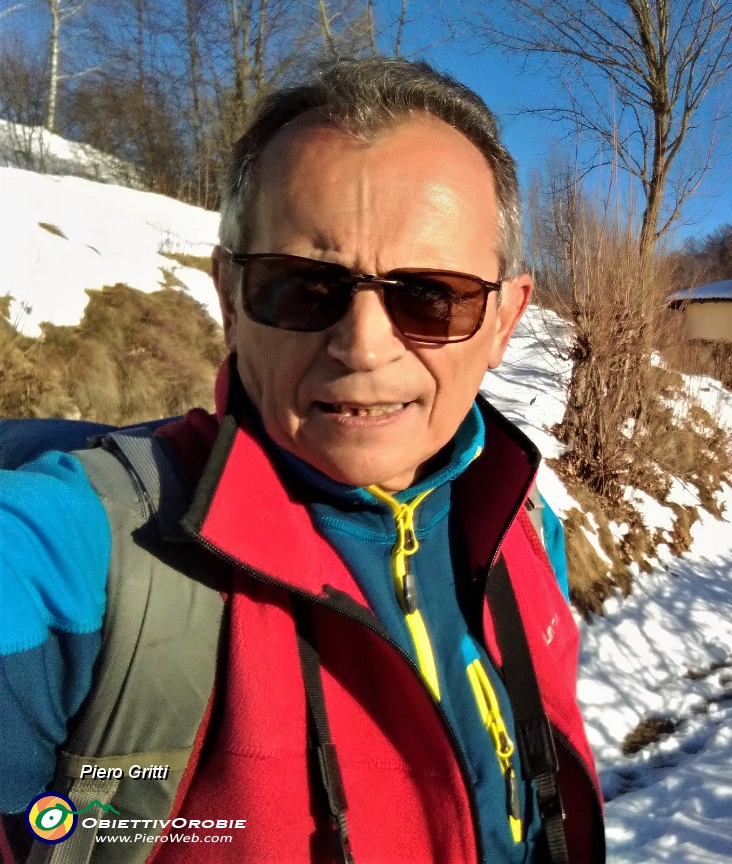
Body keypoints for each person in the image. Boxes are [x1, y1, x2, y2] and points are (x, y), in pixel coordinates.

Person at [0, 58, 604, 863]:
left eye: (429, 294)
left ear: (504, 319)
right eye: (300, 287)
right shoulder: (75, 554)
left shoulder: (524, 529)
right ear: (228, 299)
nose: (362, 345)